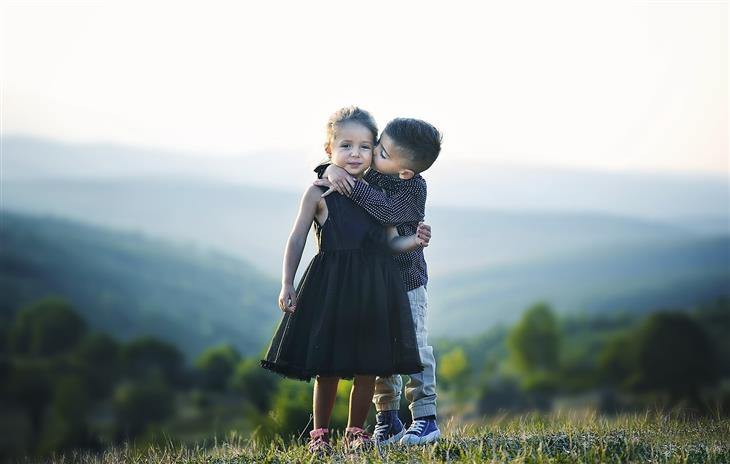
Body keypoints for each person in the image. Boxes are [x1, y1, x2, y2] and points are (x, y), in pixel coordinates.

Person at [261, 106, 430, 454]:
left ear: (375, 151)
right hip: (332, 290)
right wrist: (287, 283)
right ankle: (320, 435)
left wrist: (413, 241)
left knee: (369, 366)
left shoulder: (373, 195)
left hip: (373, 291)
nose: (355, 153)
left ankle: (357, 432)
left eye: (365, 147)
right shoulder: (318, 192)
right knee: (328, 367)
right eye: (346, 146)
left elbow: (389, 241)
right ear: (329, 150)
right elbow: (296, 239)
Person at [314, 117, 442, 445]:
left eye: (380, 152)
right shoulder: (376, 172)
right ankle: (388, 419)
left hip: (407, 281)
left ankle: (425, 418)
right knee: (380, 353)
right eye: (377, 146)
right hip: (374, 283)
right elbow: (345, 163)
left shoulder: (413, 188)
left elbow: (384, 212)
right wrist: (331, 169)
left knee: (412, 346)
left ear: (405, 171)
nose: (371, 156)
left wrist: (349, 183)